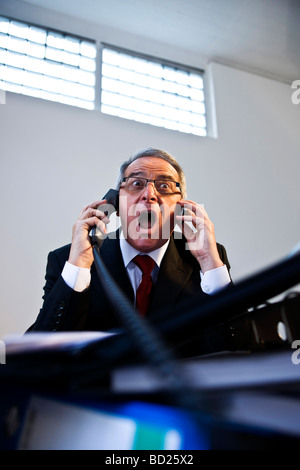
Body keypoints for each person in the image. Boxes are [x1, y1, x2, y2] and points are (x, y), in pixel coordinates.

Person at [28, 148, 231, 354]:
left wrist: (209, 263)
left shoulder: (209, 258)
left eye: (164, 186)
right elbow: (37, 357)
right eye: (136, 184)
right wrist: (78, 266)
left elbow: (239, 349)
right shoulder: (67, 259)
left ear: (181, 208)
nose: (149, 195)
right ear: (115, 203)